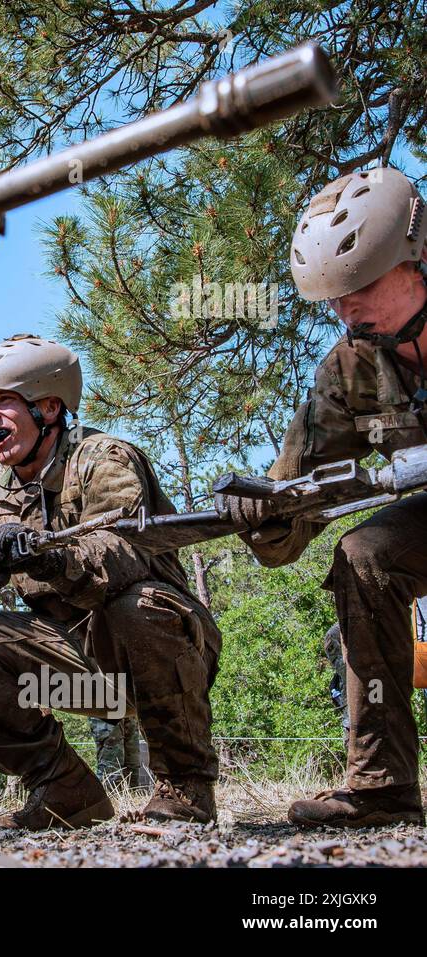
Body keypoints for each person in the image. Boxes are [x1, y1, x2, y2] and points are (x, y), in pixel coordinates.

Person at [0, 335, 222, 828]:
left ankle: (184, 789)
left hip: (159, 660)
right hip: (81, 681)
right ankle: (65, 792)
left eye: (4, 401)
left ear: (51, 407)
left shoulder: (104, 459)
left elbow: (121, 553)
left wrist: (44, 559)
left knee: (137, 606)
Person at [216, 167, 427, 827]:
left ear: (415, 260)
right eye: (332, 295)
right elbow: (291, 504)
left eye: (358, 285)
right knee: (364, 554)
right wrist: (263, 515)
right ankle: (383, 787)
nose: (343, 309)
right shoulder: (351, 368)